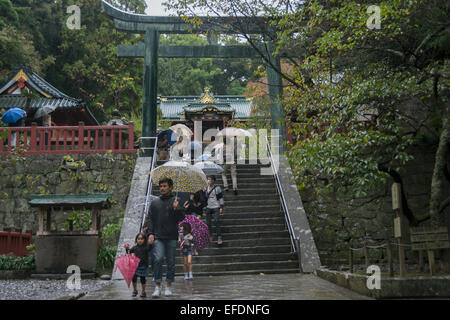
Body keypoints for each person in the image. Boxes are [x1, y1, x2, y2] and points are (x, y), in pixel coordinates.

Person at [145, 177, 185, 298]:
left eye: (165, 186)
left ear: (171, 187)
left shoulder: (176, 200)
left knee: (171, 262)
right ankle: (157, 286)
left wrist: (177, 208)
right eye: (161, 186)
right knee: (157, 259)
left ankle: (168, 285)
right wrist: (150, 233)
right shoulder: (155, 202)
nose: (162, 188)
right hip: (158, 236)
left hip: (172, 236)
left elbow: (181, 218)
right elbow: (150, 219)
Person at [124, 232, 153, 298]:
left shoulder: (146, 247)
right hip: (135, 266)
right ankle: (135, 290)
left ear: (144, 240)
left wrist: (151, 244)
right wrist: (127, 248)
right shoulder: (134, 248)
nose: (140, 240)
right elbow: (129, 252)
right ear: (136, 240)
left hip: (143, 265)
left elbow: (150, 248)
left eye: (142, 239)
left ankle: (143, 291)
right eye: (138, 239)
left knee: (143, 279)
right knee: (134, 278)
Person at [205, 176, 224, 245]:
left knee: (216, 221)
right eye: (208, 179)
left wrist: (221, 207)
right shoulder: (206, 188)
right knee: (208, 223)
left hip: (216, 207)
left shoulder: (217, 188)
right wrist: (204, 191)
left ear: (213, 180)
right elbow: (204, 198)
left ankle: (219, 237)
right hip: (208, 207)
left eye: (210, 179)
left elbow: (220, 197)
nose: (208, 181)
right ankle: (210, 235)